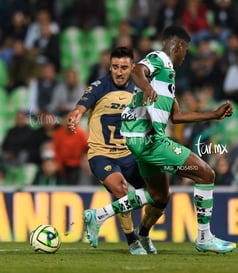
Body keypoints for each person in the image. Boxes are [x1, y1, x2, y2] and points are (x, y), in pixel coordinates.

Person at [82, 25, 237, 254]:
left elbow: (177, 115)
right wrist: (145, 87)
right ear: (180, 46)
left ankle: (99, 215)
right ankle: (204, 238)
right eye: (186, 50)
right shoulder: (160, 59)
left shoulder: (167, 77)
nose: (185, 56)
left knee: (158, 195)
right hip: (148, 139)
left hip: (139, 139)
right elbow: (137, 70)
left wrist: (213, 114)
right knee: (206, 174)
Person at [67, 47, 162, 255]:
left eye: (124, 67)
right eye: (115, 67)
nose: (119, 72)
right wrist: (76, 114)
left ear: (133, 68)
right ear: (110, 67)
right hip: (102, 154)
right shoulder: (100, 86)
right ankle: (132, 240)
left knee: (159, 195)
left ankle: (143, 233)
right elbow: (81, 106)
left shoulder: (141, 88)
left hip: (130, 154)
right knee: (120, 188)